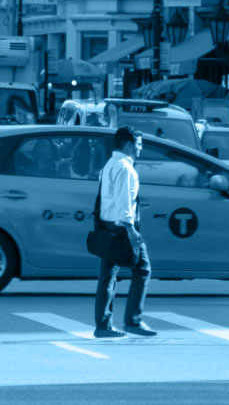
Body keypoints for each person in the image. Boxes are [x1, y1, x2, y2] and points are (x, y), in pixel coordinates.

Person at [93, 127, 157, 338]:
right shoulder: (126, 169)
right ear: (129, 145)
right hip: (122, 227)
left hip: (107, 225)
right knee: (143, 269)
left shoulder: (110, 164)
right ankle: (133, 320)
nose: (140, 148)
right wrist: (131, 230)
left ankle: (103, 326)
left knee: (108, 276)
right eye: (139, 144)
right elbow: (123, 202)